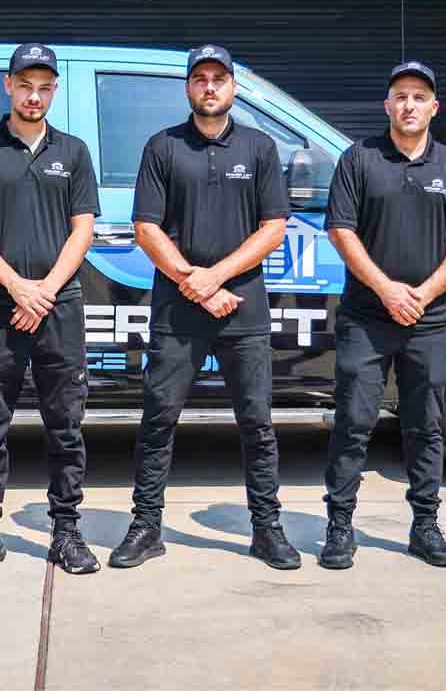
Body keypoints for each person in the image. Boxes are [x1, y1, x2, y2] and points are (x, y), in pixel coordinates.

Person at [109, 45, 301, 571]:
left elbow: (274, 228)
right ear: (188, 87)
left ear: (233, 87)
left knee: (257, 422)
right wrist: (195, 282)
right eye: (200, 78)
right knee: (158, 418)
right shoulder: (163, 147)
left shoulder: (259, 147)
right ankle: (146, 527)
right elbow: (146, 228)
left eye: (219, 78)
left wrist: (215, 277)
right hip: (178, 310)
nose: (210, 86)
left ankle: (267, 529)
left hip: (243, 307)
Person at [320, 60, 446, 570]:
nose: (409, 105)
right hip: (367, 319)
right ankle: (339, 527)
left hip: (432, 321)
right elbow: (341, 231)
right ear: (387, 105)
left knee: (426, 426)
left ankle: (425, 526)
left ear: (435, 107)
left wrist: (422, 296)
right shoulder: (358, 159)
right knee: (353, 423)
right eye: (401, 96)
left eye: (419, 96)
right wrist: (388, 291)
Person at [0, 43, 102, 575]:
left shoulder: (74, 152)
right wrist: (17, 287)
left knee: (66, 423)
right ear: (8, 86)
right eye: (25, 86)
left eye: (43, 88)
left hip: (59, 306)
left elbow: (83, 229)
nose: (33, 97)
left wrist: (45, 292)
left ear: (54, 92)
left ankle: (67, 531)